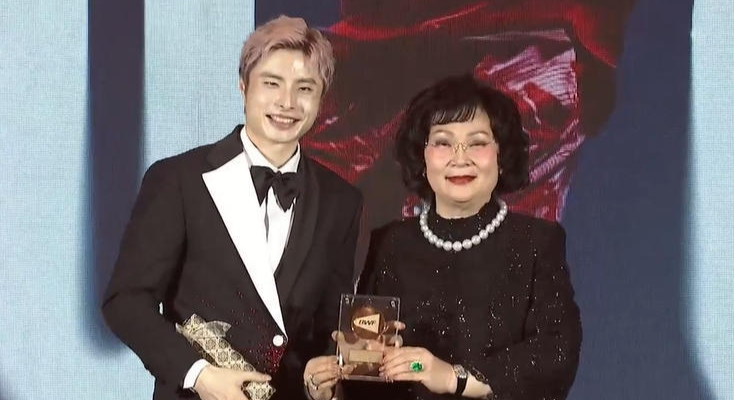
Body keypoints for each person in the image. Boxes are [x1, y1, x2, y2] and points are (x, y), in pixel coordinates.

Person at [102, 16, 362, 400]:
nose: (287, 102)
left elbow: (326, 326)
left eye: (304, 88)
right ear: (243, 86)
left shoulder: (341, 200)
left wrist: (317, 377)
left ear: (321, 98)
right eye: (271, 83)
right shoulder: (178, 179)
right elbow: (126, 302)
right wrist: (198, 374)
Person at [348, 74, 582, 400]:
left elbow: (556, 353)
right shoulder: (389, 244)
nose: (460, 158)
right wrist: (334, 379)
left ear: (501, 155)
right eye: (443, 142)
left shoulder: (536, 243)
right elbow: (363, 371)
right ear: (422, 157)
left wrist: (453, 378)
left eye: (477, 143)